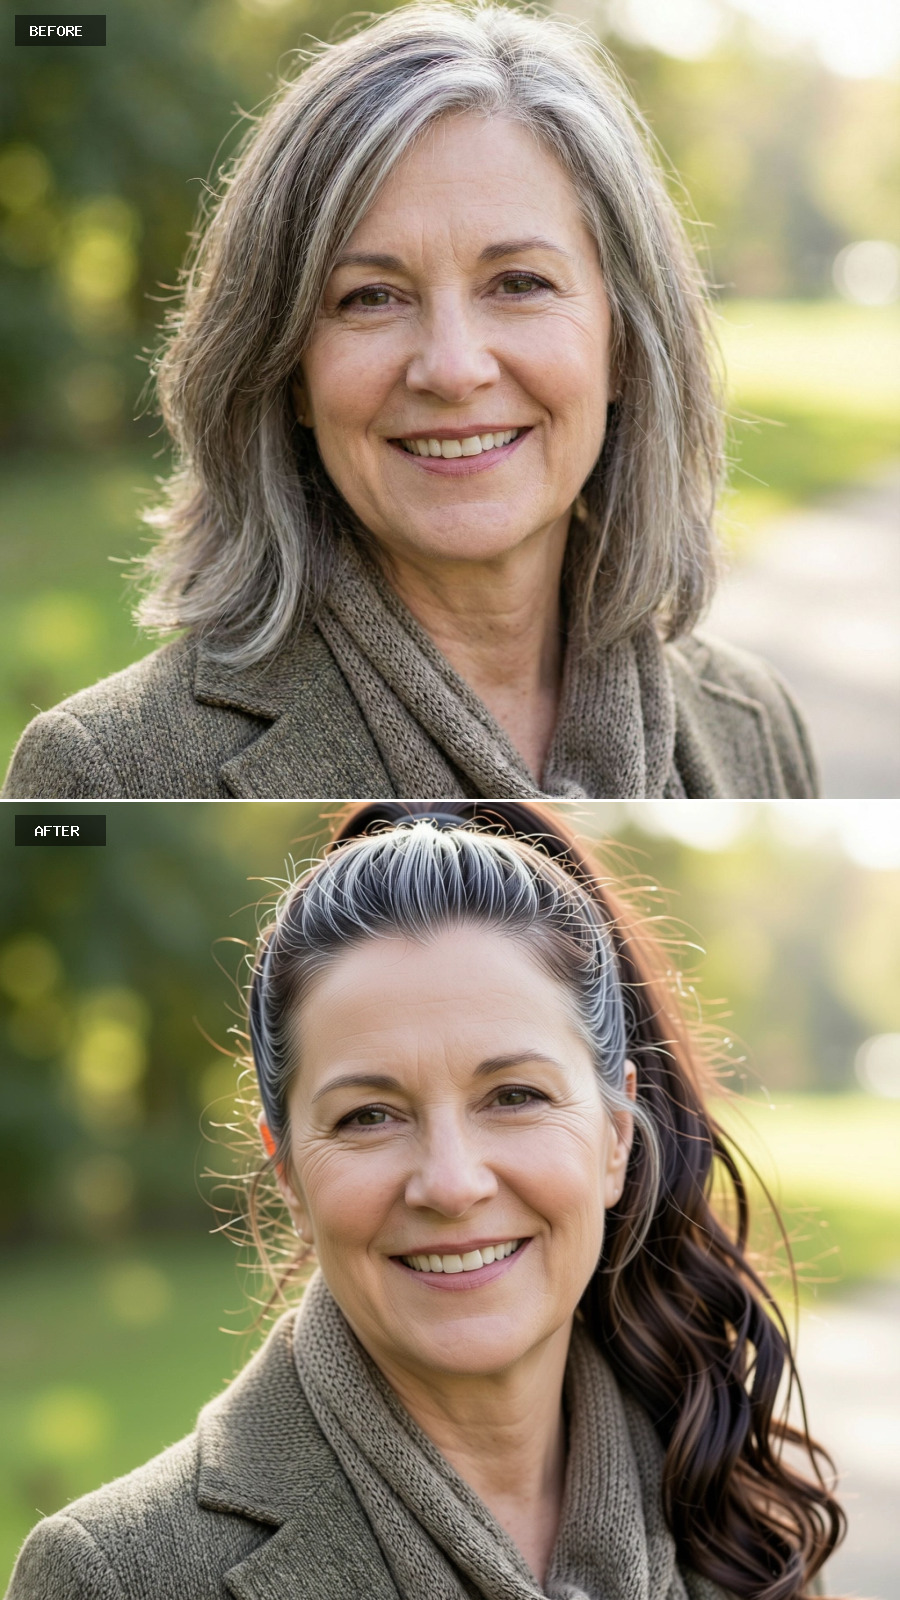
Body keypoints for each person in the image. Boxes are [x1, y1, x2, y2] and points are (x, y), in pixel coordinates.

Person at [7, 803, 842, 1599]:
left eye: (514, 1096)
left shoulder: (739, 1520)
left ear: (616, 1138)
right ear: (289, 1174)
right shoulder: (113, 1577)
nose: (449, 1183)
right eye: (369, 1116)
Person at [3, 5, 818, 801]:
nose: (452, 369)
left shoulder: (754, 722)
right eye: (371, 297)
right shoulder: (105, 771)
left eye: (519, 283)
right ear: (289, 373)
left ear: (626, 345)